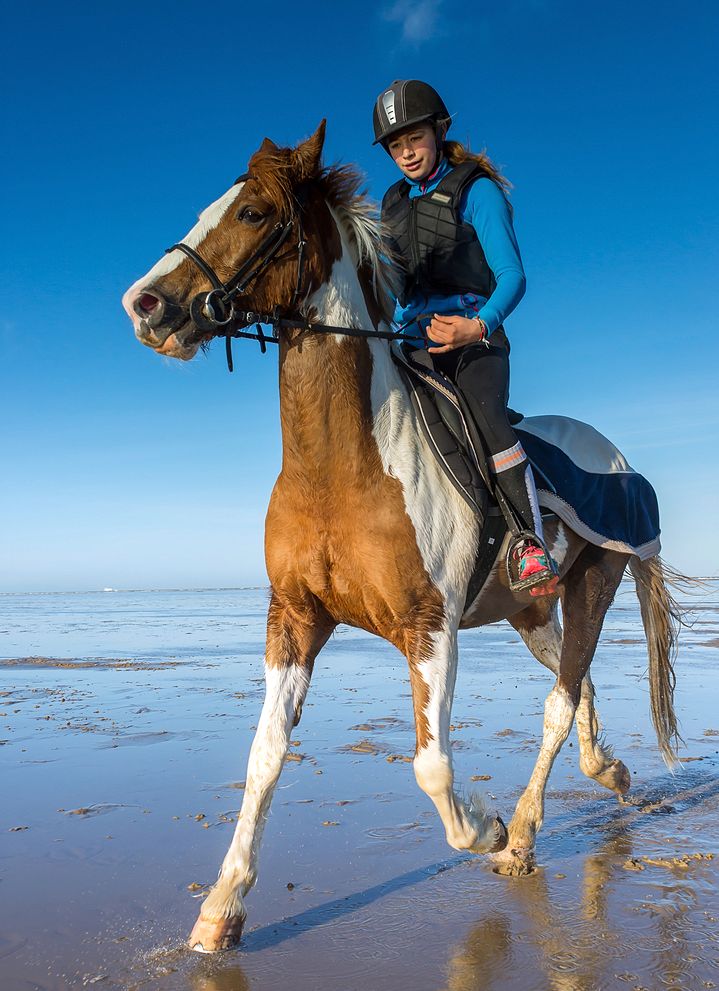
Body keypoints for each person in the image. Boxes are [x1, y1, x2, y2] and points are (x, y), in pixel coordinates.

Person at [373, 79, 557, 594]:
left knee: (488, 419)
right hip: (413, 342)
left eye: (414, 138)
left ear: (438, 130)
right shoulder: (391, 205)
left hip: (475, 338)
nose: (406, 152)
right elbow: (393, 286)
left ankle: (528, 542)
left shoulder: (477, 191)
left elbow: (513, 277)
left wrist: (476, 326)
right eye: (395, 145)